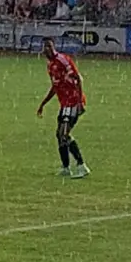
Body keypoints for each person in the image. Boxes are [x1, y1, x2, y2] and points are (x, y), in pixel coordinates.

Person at [36, 37, 90, 179]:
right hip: (65, 104)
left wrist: (79, 102)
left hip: (72, 102)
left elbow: (78, 78)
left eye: (49, 46)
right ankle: (66, 167)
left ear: (53, 47)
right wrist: (43, 103)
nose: (47, 49)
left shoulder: (63, 60)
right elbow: (55, 86)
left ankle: (81, 166)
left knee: (64, 134)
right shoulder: (50, 66)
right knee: (60, 135)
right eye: (45, 47)